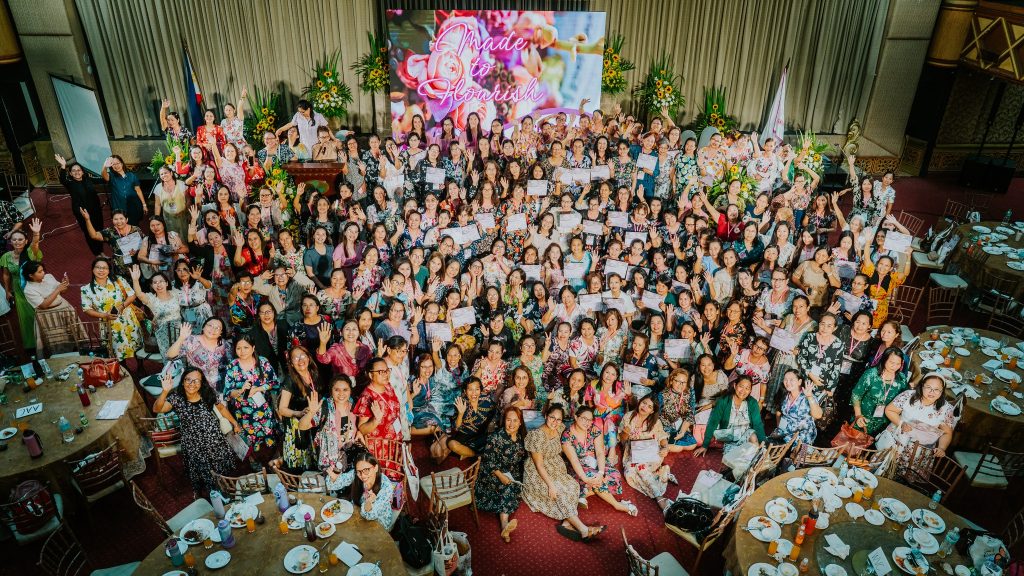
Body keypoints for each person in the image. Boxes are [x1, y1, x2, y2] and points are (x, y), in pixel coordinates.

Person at [522, 404, 605, 542]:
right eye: (552, 418)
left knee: (573, 486)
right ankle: (584, 530)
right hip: (537, 471)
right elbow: (539, 465)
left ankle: (567, 524)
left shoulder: (560, 429)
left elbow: (576, 431)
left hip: (555, 467)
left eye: (558, 419)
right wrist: (550, 485)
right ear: (546, 416)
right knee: (558, 492)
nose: (555, 422)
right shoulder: (536, 436)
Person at [152, 367, 241, 495]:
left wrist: (234, 423)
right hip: (193, 444)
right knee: (201, 472)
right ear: (183, 382)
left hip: (214, 440)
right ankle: (205, 492)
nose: (192, 384)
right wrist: (165, 391)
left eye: (196, 380)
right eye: (188, 380)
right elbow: (157, 409)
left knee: (220, 469)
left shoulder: (207, 393)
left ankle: (223, 487)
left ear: (201, 383)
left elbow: (221, 408)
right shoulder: (176, 398)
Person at [222, 333, 281, 468]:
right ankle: (253, 461)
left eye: (246, 347)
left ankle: (274, 460)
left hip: (264, 409)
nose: (242, 351)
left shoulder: (262, 362)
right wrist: (241, 390)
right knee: (249, 439)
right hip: (244, 413)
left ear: (253, 348)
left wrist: (258, 388)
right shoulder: (233, 366)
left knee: (270, 435)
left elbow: (274, 382)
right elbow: (228, 392)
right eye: (238, 348)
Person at [882, 373, 955, 477]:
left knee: (906, 478)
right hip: (898, 440)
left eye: (937, 389)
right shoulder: (908, 396)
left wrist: (942, 448)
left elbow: (946, 433)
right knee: (884, 470)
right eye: (928, 387)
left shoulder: (946, 409)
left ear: (942, 391)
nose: (932, 392)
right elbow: (890, 410)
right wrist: (901, 423)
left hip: (919, 450)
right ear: (921, 386)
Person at [694, 376, 766, 478]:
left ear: (750, 390)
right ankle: (751, 472)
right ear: (735, 385)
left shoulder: (752, 403)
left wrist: (763, 443)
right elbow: (713, 422)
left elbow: (757, 424)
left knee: (753, 437)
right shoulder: (723, 401)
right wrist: (705, 445)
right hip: (729, 436)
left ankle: (760, 467)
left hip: (747, 436)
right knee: (735, 466)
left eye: (747, 388)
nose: (743, 391)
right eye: (741, 386)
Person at [475, 406, 527, 543]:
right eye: (508, 420)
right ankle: (505, 525)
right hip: (492, 471)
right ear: (504, 421)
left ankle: (505, 523)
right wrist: (501, 475)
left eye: (515, 420)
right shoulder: (496, 437)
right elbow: (488, 460)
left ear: (520, 422)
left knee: (516, 486)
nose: (511, 424)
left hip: (511, 472)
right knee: (507, 488)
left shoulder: (521, 437)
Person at [80, 256, 144, 366]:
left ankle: (140, 366)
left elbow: (132, 295)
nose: (101, 270)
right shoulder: (86, 289)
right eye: (98, 267)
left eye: (104, 268)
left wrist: (122, 306)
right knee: (117, 351)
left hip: (128, 320)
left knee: (136, 345)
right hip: (108, 324)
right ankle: (124, 369)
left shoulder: (119, 280)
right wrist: (104, 315)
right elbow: (87, 309)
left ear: (109, 270)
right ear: (93, 269)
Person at [620, 394, 676, 511]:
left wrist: (665, 448)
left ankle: (659, 498)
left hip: (651, 454)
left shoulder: (655, 422)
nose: (645, 407)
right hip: (633, 453)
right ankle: (659, 476)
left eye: (649, 406)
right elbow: (622, 439)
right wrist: (625, 433)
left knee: (640, 467)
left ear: (652, 411)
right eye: (644, 403)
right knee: (630, 473)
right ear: (640, 402)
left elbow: (662, 437)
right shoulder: (628, 417)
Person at [299, 376, 362, 478]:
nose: (341, 393)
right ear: (331, 391)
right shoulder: (325, 407)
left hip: (351, 461)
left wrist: (359, 432)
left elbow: (359, 424)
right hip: (330, 465)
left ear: (350, 390)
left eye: (345, 389)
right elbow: (302, 426)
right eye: (337, 390)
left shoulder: (354, 405)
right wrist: (311, 412)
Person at [21, 261, 87, 353]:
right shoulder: (29, 290)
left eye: (43, 270)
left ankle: (79, 351)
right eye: (40, 272)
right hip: (48, 315)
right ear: (31, 275)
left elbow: (63, 291)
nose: (43, 273)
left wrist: (65, 284)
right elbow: (44, 305)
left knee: (73, 333)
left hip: (64, 308)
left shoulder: (49, 277)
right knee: (57, 339)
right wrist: (57, 290)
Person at [325, 452, 399, 531]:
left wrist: (368, 502)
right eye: (359, 471)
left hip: (379, 523)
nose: (362, 475)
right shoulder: (356, 474)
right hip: (359, 513)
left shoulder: (386, 486)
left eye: (366, 470)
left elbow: (370, 515)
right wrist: (333, 477)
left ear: (375, 468)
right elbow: (338, 482)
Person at [277, 345, 321, 473]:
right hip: (296, 427)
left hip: (311, 423)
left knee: (313, 462)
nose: (300, 360)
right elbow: (282, 409)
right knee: (299, 464)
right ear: (291, 363)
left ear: (308, 358)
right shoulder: (290, 380)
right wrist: (299, 413)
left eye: (302, 356)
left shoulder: (314, 374)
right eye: (295, 358)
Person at [1, 219, 42, 350]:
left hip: (33, 286)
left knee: (40, 312)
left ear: (25, 241)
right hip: (18, 289)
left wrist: (36, 234)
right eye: (14, 240)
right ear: (11, 242)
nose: (17, 242)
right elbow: (6, 275)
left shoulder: (30, 252)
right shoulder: (6, 257)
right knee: (27, 317)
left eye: (20, 239)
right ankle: (33, 344)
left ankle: (47, 339)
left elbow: (35, 243)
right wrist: (8, 291)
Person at [851, 347, 910, 436]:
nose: (894, 366)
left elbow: (902, 400)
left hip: (885, 423)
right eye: (891, 362)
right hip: (864, 419)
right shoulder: (871, 374)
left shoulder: (901, 379)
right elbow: (856, 395)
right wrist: (858, 415)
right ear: (884, 360)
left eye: (898, 364)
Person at [166, 318, 233, 393]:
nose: (213, 329)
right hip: (196, 387)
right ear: (203, 327)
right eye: (210, 325)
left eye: (217, 328)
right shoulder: (192, 341)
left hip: (220, 387)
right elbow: (170, 356)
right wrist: (181, 338)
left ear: (221, 332)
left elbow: (231, 366)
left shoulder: (226, 345)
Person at [55, 154, 104, 255]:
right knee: (89, 232)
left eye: (79, 170)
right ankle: (97, 254)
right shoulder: (70, 183)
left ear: (82, 171)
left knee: (99, 229)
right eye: (73, 171)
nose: (77, 172)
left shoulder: (88, 179)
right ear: (70, 173)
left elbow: (103, 179)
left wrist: (106, 169)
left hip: (96, 210)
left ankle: (101, 250)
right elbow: (62, 179)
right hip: (83, 213)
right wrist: (63, 166)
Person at [129, 266, 181, 358]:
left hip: (179, 332)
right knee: (168, 358)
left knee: (182, 356)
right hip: (163, 335)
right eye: (155, 282)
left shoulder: (175, 293)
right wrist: (135, 280)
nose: (158, 284)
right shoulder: (152, 299)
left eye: (161, 281)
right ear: (152, 286)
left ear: (166, 283)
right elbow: (139, 294)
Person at [446, 377, 495, 459]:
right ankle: (476, 454)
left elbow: (494, 414)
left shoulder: (486, 400)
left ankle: (466, 452)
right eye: (470, 390)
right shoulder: (461, 403)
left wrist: (491, 428)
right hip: (466, 434)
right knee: (452, 444)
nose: (474, 393)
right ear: (465, 391)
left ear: (480, 390)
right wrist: (461, 413)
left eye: (477, 389)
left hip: (483, 433)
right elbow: (457, 427)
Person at [773, 369, 823, 445]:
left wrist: (809, 396)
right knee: (769, 445)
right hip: (785, 431)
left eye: (791, 380)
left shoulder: (807, 395)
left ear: (799, 382)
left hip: (803, 436)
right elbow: (778, 412)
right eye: (785, 379)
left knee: (800, 453)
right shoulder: (784, 394)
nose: (787, 382)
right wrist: (779, 428)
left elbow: (818, 415)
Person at [101, 155, 147, 225]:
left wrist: (144, 205)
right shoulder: (111, 176)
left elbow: (138, 190)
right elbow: (104, 175)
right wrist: (105, 166)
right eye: (113, 164)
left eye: (118, 163)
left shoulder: (131, 175)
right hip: (119, 208)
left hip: (134, 206)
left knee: (134, 225)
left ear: (122, 163)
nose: (116, 166)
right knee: (121, 226)